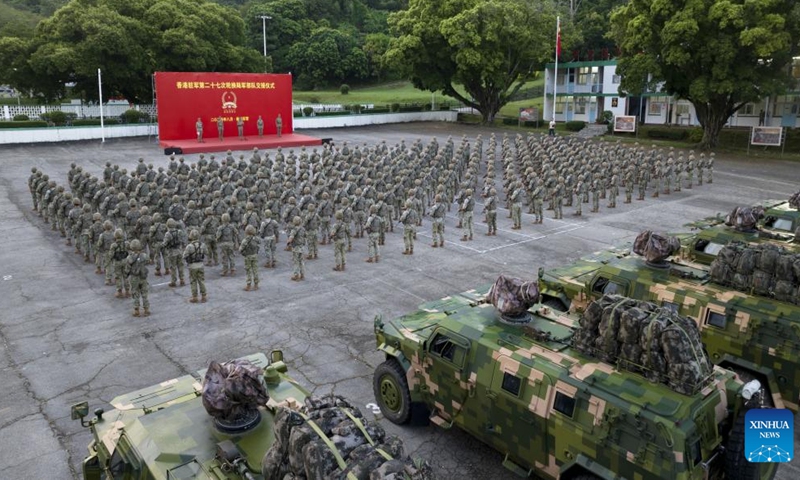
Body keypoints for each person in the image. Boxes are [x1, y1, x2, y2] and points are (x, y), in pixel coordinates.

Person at [126, 239, 150, 317]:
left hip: (134, 278)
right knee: (144, 293)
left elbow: (127, 268)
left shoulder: (129, 257)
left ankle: (136, 310)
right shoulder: (144, 255)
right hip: (143, 277)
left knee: (135, 293)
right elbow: (148, 261)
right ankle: (146, 309)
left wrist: (126, 274)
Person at [183, 229, 207, 303]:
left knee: (193, 281)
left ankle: (195, 297)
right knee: (201, 280)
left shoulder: (189, 246)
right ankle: (204, 296)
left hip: (192, 266)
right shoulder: (202, 245)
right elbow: (207, 252)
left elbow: (184, 256)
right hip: (200, 265)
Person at [162, 218, 186, 288]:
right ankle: (182, 279)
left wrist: (162, 246)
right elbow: (183, 240)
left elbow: (165, 243)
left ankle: (173, 281)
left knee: (173, 267)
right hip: (179, 250)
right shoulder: (179, 231)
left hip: (172, 252)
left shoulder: (168, 234)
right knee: (180, 265)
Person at [110, 229, 131, 298]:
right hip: (125, 260)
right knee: (126, 276)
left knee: (118, 277)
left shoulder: (113, 245)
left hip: (117, 262)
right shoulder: (126, 243)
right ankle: (127, 290)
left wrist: (111, 259)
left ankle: (119, 291)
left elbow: (111, 254)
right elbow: (130, 250)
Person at [240, 225, 261, 290]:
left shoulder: (245, 240)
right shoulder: (256, 239)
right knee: (255, 270)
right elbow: (259, 242)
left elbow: (240, 249)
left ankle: (248, 285)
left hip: (248, 256)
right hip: (254, 255)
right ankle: (256, 284)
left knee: (248, 270)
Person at [287, 216, 306, 280]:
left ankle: (296, 275)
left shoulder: (294, 229)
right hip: (302, 247)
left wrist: (288, 242)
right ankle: (302, 274)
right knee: (301, 261)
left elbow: (291, 237)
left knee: (296, 262)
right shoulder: (303, 229)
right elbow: (305, 236)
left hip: (296, 247)